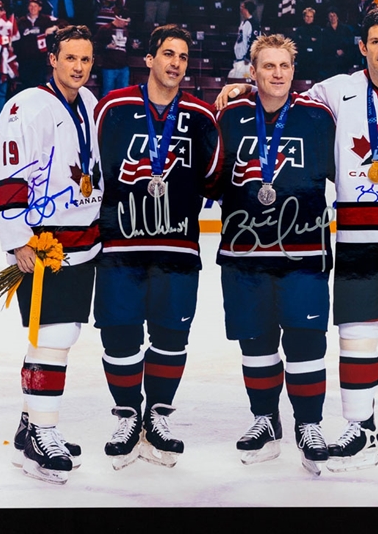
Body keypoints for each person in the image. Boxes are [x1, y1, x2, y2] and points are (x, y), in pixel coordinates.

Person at [216, 7, 378, 474]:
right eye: (374, 42)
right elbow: (284, 96)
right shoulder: (336, 92)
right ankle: (362, 427)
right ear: (362, 47)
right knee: (355, 338)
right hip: (361, 241)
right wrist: (244, 87)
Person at [92, 24, 223, 470]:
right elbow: (92, 171)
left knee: (171, 335)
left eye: (183, 57)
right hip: (119, 248)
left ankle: (159, 415)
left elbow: (214, 179)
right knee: (120, 335)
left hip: (178, 249)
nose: (175, 63)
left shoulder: (202, 117)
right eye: (168, 53)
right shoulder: (113, 107)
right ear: (149, 58)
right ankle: (128, 415)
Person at [214, 33, 336, 475]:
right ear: (253, 71)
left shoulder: (318, 118)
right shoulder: (229, 117)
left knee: (306, 342)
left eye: (284, 65)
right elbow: (210, 179)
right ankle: (265, 419)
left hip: (303, 251)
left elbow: (344, 177)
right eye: (268, 66)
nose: (277, 74)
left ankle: (309, 424)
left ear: (293, 69)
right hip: (244, 253)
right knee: (256, 342)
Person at [0, 25, 102, 485]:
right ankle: (43, 433)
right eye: (70, 58)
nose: (79, 67)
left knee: (61, 335)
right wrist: (17, 238)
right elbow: (8, 173)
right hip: (43, 243)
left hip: (83, 240)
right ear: (52, 59)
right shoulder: (26, 106)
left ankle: (29, 425)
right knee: (51, 337)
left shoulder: (91, 103)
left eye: (86, 60)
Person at [14, 0, 58, 90]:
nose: (33, 8)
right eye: (31, 6)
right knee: (25, 85)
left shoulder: (46, 20)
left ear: (40, 8)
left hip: (40, 59)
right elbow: (15, 39)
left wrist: (53, 28)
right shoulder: (21, 21)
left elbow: (63, 23)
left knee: (39, 85)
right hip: (25, 60)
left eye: (35, 6)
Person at [94, 8, 131, 97]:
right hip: (109, 67)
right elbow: (95, 45)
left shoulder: (126, 31)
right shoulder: (105, 29)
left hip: (123, 67)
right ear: (119, 19)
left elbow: (128, 46)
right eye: (125, 22)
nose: (126, 24)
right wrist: (106, 46)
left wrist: (133, 46)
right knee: (107, 94)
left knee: (123, 94)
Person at [229, 0, 260, 79]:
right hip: (239, 59)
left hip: (246, 61)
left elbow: (254, 41)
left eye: (242, 7)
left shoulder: (253, 24)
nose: (240, 8)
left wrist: (248, 57)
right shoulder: (243, 22)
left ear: (246, 9)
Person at [293, 7, 323, 81]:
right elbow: (298, 42)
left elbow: (319, 43)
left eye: (311, 16)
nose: (309, 18)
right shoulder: (299, 30)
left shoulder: (317, 29)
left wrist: (304, 39)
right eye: (307, 16)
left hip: (314, 59)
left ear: (313, 18)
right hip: (303, 58)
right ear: (304, 17)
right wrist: (310, 39)